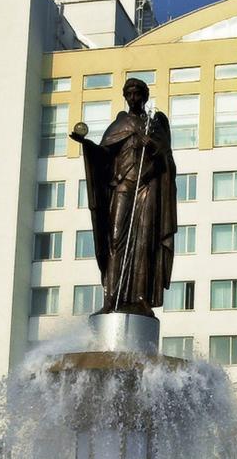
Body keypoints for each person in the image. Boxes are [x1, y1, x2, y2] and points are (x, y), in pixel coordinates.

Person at [70, 77, 177, 317]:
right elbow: (104, 154)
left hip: (147, 187)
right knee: (115, 238)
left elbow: (167, 159)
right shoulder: (120, 124)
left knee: (144, 242)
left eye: (137, 93)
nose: (133, 98)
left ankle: (141, 298)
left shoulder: (154, 126)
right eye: (129, 94)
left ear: (145, 97)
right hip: (123, 186)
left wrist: (152, 145)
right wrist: (86, 144)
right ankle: (111, 298)